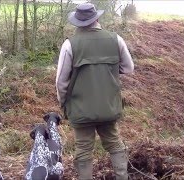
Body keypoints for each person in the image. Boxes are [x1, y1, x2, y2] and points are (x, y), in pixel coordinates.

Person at [55, 2, 134, 180]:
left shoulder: (69, 45)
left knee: (83, 149)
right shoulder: (116, 39)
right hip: (108, 106)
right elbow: (128, 68)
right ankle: (122, 177)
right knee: (114, 143)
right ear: (97, 18)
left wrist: (63, 103)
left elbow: (61, 81)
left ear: (77, 22)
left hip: (80, 108)